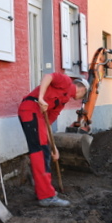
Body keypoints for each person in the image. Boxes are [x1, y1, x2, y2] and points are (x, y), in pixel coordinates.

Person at [18, 73, 89, 207]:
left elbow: (47, 125)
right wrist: (41, 98)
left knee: (44, 151)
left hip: (38, 117)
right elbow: (48, 77)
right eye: (83, 96)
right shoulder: (66, 81)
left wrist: (54, 147)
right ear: (82, 89)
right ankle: (46, 196)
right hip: (30, 110)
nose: (80, 99)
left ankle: (43, 191)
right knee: (40, 152)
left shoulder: (63, 102)